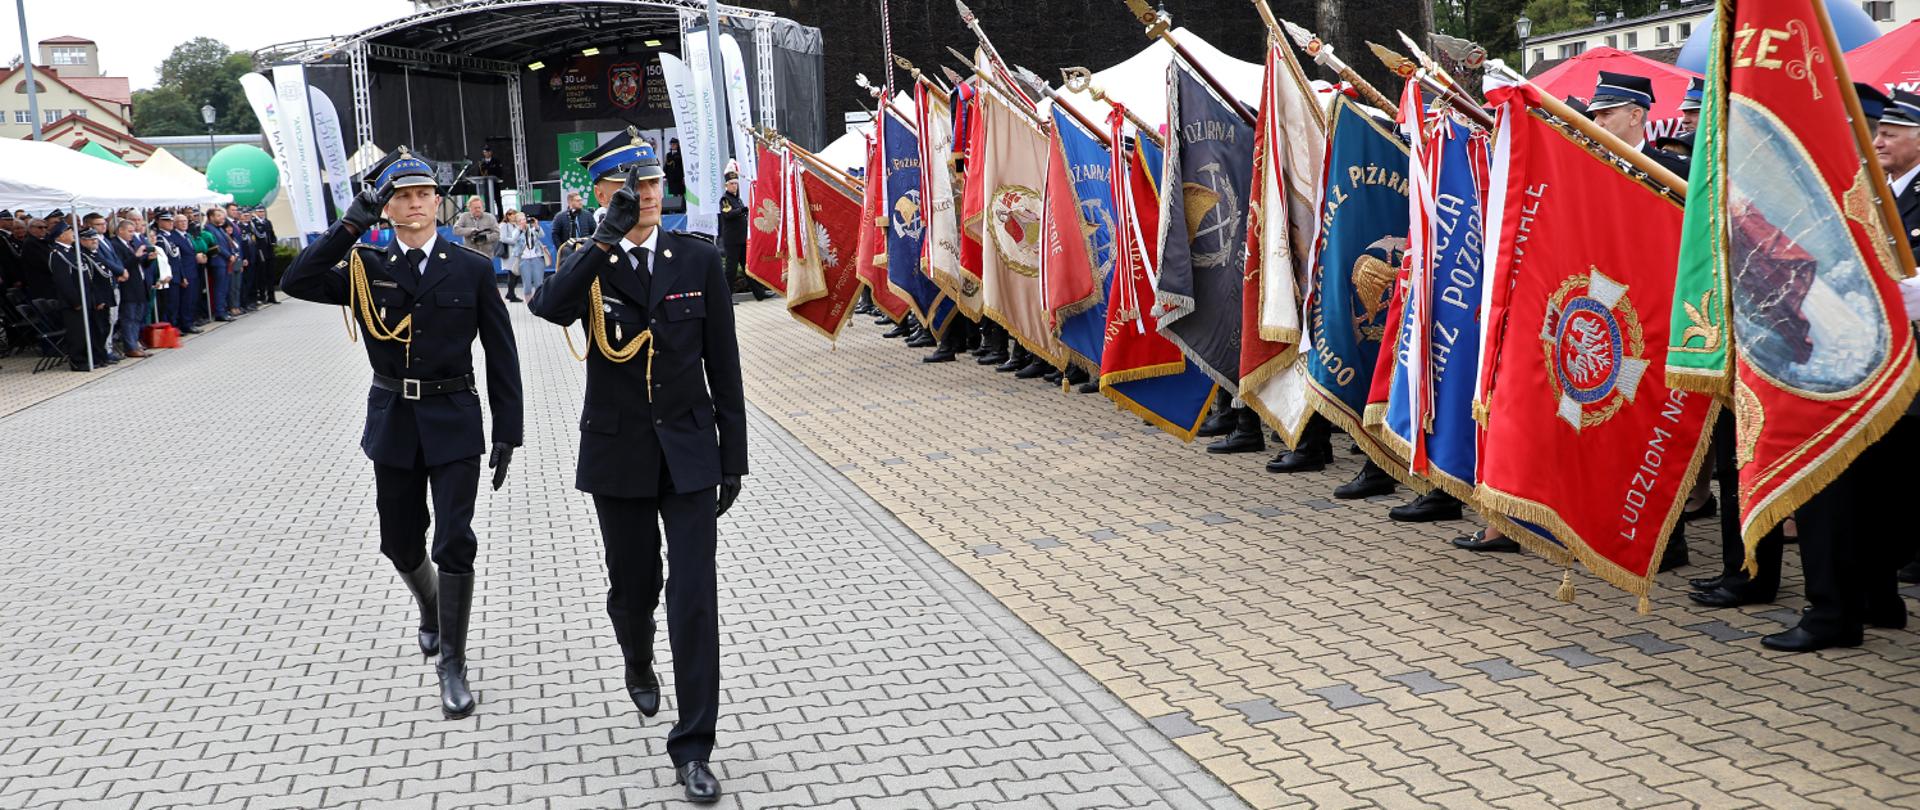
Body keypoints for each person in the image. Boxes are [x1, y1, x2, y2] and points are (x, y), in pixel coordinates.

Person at [529, 132, 743, 805]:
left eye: (650, 183)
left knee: (694, 596)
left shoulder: (697, 258)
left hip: (688, 452)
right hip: (618, 451)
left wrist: (731, 458)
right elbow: (549, 307)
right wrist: (603, 240)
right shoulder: (583, 258)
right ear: (601, 193)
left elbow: (724, 366)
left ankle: (695, 746)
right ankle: (636, 654)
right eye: (628, 187)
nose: (645, 196)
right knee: (635, 586)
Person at [279, 146, 525, 715]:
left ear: (438, 203)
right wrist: (347, 226)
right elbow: (297, 280)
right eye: (401, 197)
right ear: (385, 208)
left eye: (422, 195)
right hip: (393, 419)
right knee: (399, 539)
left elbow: (501, 354)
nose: (414, 205)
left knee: (455, 538)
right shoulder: (366, 266)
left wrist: (508, 428)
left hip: (454, 416)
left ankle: (453, 664)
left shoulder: (472, 267)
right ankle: (430, 607)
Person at [1586, 71, 1689, 177]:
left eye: (1606, 114)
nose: (1596, 123)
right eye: (1595, 116)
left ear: (1635, 116)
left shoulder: (1676, 169)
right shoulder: (1590, 169)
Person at [51, 224, 114, 371]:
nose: (73, 233)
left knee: (89, 331)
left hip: (86, 298)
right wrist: (75, 301)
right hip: (73, 302)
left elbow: (87, 277)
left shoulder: (73, 251)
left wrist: (94, 298)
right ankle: (78, 361)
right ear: (60, 236)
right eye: (69, 231)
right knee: (77, 334)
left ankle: (91, 358)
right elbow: (64, 281)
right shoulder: (57, 254)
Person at [717, 172, 767, 301]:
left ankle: (760, 294)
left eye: (736, 184)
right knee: (730, 271)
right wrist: (742, 210)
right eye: (732, 184)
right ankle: (726, 298)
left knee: (748, 268)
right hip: (732, 240)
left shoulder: (737, 199)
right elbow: (728, 214)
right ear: (726, 185)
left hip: (741, 239)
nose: (734, 186)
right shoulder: (725, 199)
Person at [109, 219, 152, 358]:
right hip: (127, 285)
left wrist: (148, 258)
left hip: (140, 283)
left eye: (133, 232)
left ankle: (135, 343)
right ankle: (130, 346)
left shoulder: (132, 243)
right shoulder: (115, 244)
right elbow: (121, 266)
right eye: (130, 231)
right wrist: (136, 256)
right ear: (120, 230)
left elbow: (140, 264)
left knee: (138, 316)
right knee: (129, 316)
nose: (132, 235)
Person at [157, 212, 202, 334]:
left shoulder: (174, 236)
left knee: (185, 301)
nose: (170, 223)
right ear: (160, 222)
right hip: (171, 275)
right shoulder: (161, 238)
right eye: (167, 221)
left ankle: (184, 323)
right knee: (172, 304)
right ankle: (176, 326)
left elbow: (178, 258)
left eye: (171, 221)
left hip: (182, 273)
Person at [452, 196, 502, 289]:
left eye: (479, 207)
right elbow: (456, 230)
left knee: (488, 282)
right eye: (475, 208)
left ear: (483, 207)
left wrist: (485, 238)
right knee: (471, 280)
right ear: (469, 208)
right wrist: (470, 231)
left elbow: (497, 234)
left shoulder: (490, 217)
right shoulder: (464, 216)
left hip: (486, 254)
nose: (478, 210)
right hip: (469, 254)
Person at [501, 210, 550, 303]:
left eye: (524, 219)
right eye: (520, 220)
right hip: (524, 260)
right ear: (517, 222)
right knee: (527, 286)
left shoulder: (531, 229)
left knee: (539, 284)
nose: (523, 221)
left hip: (537, 258)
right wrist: (520, 229)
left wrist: (536, 226)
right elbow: (513, 239)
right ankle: (530, 305)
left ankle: (539, 303)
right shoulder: (516, 231)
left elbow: (542, 235)